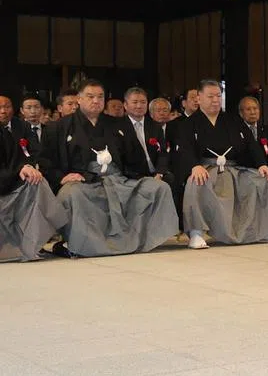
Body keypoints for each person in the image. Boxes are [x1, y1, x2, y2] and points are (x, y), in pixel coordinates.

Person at [39, 79, 179, 257]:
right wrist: (62, 177)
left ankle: (139, 239)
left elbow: (133, 156)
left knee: (158, 188)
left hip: (119, 178)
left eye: (100, 97)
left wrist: (155, 173)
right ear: (79, 99)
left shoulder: (117, 124)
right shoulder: (58, 127)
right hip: (84, 181)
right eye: (90, 96)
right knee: (72, 194)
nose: (96, 101)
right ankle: (79, 242)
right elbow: (45, 161)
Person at [175, 81, 268, 249]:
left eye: (218, 96)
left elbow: (251, 144)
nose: (215, 100)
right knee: (194, 181)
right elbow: (184, 149)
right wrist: (194, 166)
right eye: (210, 96)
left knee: (263, 179)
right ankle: (196, 231)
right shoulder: (188, 124)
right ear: (199, 97)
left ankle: (265, 229)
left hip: (234, 169)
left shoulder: (233, 120)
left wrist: (262, 164)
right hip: (206, 168)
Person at [0, 119, 67, 261]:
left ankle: (32, 245)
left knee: (36, 182)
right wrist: (17, 171)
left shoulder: (6, 131)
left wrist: (26, 168)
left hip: (8, 184)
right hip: (3, 186)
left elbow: (22, 158)